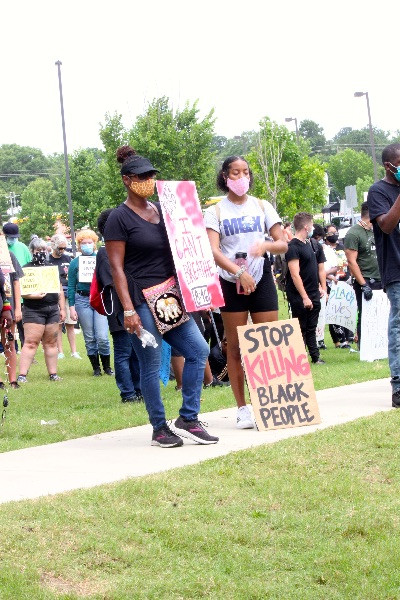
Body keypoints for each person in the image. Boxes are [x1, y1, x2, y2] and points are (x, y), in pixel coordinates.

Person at [105, 145, 218, 448]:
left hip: (171, 297)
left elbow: (187, 246)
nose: (149, 179)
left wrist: (199, 290)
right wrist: (128, 309)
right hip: (141, 300)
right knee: (152, 366)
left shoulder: (164, 208)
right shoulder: (119, 218)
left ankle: (188, 418)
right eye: (142, 176)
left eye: (152, 175)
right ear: (127, 180)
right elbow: (116, 268)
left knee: (197, 351)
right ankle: (159, 428)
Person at [205, 155, 287, 429]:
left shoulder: (262, 206)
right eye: (235, 173)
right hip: (231, 281)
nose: (242, 178)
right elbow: (213, 250)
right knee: (236, 346)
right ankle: (242, 408)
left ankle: (271, 402)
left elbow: (283, 244)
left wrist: (264, 246)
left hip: (261, 279)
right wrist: (239, 273)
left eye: (246, 173)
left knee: (267, 343)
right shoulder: (215, 212)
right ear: (226, 177)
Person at [96, 209, 142, 402]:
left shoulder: (126, 250)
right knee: (123, 351)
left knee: (137, 352)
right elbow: (111, 281)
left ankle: (139, 389)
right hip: (118, 309)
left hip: (135, 305)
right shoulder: (105, 252)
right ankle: (128, 392)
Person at [367, 143, 400, 407]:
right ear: (389, 166)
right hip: (396, 269)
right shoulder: (379, 191)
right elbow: (387, 226)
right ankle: (398, 386)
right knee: (399, 325)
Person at [17, 237, 65, 383]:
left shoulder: (52, 268)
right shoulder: (25, 268)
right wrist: (32, 295)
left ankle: (53, 374)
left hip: (52, 309)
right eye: (38, 250)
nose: (41, 252)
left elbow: (59, 289)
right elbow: (20, 290)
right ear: (32, 251)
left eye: (44, 249)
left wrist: (62, 308)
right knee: (31, 342)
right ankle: (22, 375)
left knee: (51, 343)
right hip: (33, 310)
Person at [68, 230, 113, 377]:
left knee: (102, 336)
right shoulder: (74, 263)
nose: (87, 245)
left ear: (94, 243)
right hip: (82, 300)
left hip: (99, 298)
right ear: (79, 245)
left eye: (89, 242)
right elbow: (71, 286)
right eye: (83, 243)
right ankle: (96, 368)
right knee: (89, 336)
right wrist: (72, 307)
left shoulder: (101, 258)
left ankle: (107, 367)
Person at [285, 212, 326, 365]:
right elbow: (295, 275)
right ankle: (299, 358)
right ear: (306, 226)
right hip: (300, 295)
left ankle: (315, 356)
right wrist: (304, 297)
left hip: (313, 291)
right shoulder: (293, 247)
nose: (313, 228)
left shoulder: (309, 244)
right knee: (300, 326)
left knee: (312, 326)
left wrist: (319, 287)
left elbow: (311, 269)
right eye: (312, 225)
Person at [344, 202, 381, 347]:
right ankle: (364, 346)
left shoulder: (376, 230)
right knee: (365, 314)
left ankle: (379, 344)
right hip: (365, 279)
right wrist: (363, 284)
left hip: (380, 278)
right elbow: (351, 261)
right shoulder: (354, 233)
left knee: (380, 314)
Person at [48, 234, 82, 360]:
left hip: (69, 294)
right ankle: (60, 351)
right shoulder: (48, 260)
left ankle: (74, 351)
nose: (62, 251)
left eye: (64, 248)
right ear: (54, 246)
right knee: (57, 324)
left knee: (70, 324)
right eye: (60, 248)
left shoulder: (68, 259)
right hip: (55, 295)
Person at [2, 221, 30, 348]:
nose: (13, 240)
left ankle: (24, 348)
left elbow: (28, 268)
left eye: (15, 237)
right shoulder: (3, 250)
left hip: (20, 292)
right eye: (11, 237)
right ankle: (13, 347)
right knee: (8, 332)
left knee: (22, 324)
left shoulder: (22, 247)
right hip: (7, 296)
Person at [1, 246, 24, 388]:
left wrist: (18, 308)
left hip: (9, 306)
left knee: (9, 343)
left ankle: (12, 379)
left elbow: (16, 281)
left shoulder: (8, 255)